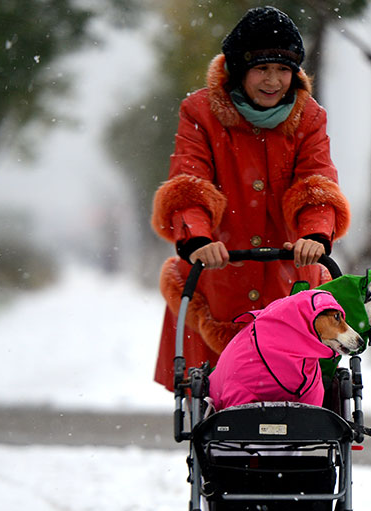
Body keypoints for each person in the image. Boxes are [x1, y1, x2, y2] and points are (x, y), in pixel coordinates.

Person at [150, 6, 351, 391]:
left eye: (283, 69)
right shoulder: (200, 113)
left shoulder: (309, 117)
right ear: (240, 70)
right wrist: (198, 239)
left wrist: (315, 234)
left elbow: (316, 181)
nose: (273, 80)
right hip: (221, 272)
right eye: (262, 68)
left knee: (296, 395)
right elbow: (189, 181)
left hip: (288, 274)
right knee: (216, 400)